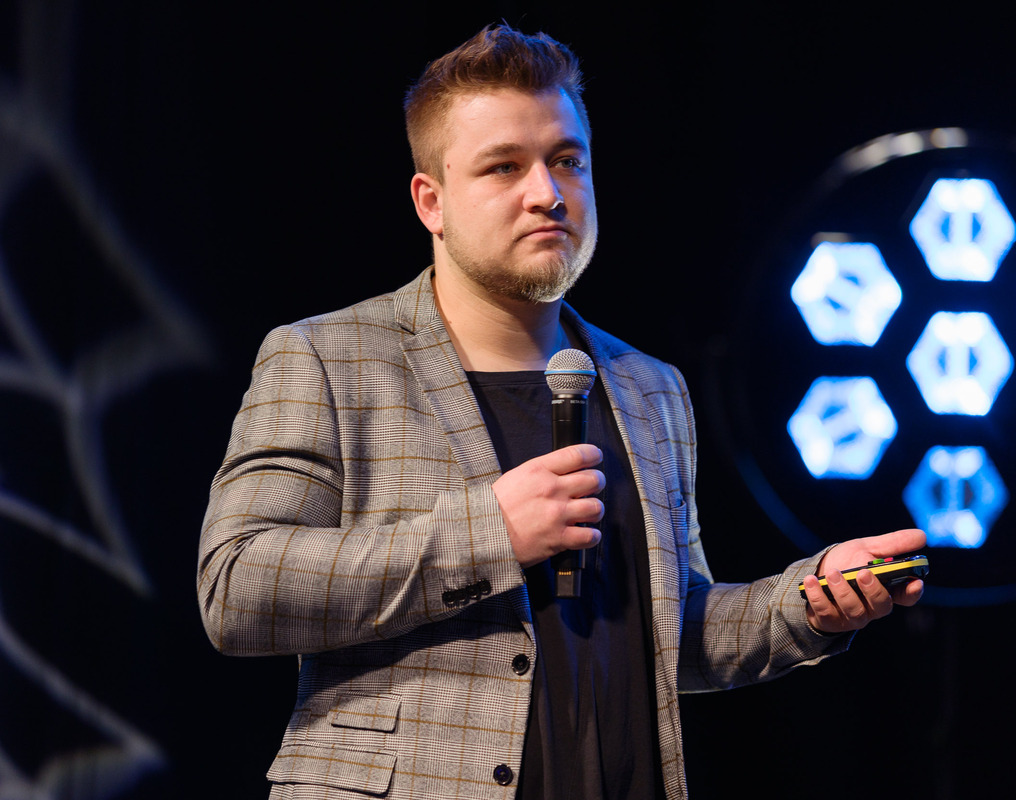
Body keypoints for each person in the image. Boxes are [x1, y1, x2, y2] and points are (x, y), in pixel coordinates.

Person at [197, 24, 924, 800]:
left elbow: (672, 633)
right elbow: (237, 591)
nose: (547, 192)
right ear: (431, 202)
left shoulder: (650, 387)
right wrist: (490, 534)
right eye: (504, 166)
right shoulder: (329, 358)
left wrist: (809, 602)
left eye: (567, 161)